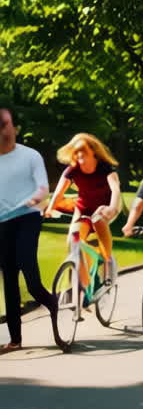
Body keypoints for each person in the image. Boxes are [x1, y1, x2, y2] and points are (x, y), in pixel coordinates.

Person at [0, 104, 58, 353]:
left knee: (29, 274)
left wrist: (33, 200)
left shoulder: (30, 155)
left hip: (27, 218)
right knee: (9, 279)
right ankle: (15, 339)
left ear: (15, 128)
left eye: (4, 124)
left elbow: (43, 187)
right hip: (2, 222)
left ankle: (51, 302)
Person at [46, 133, 122, 290]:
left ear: (93, 152)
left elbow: (115, 189)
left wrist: (112, 207)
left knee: (98, 220)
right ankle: (86, 286)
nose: (80, 155)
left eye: (83, 151)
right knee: (73, 241)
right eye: (77, 151)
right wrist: (50, 209)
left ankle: (106, 260)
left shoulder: (105, 168)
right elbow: (59, 192)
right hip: (83, 208)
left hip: (105, 207)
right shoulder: (72, 170)